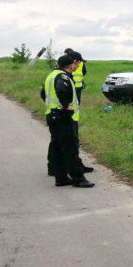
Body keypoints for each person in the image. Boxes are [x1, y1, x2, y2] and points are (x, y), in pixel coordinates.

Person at [41, 55, 95, 188]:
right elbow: (62, 90)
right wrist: (65, 105)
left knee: (59, 148)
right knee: (71, 149)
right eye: (73, 64)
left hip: (53, 115)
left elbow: (43, 94)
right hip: (63, 116)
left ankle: (61, 178)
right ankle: (78, 179)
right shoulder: (63, 77)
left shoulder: (52, 75)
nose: (75, 66)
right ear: (70, 65)